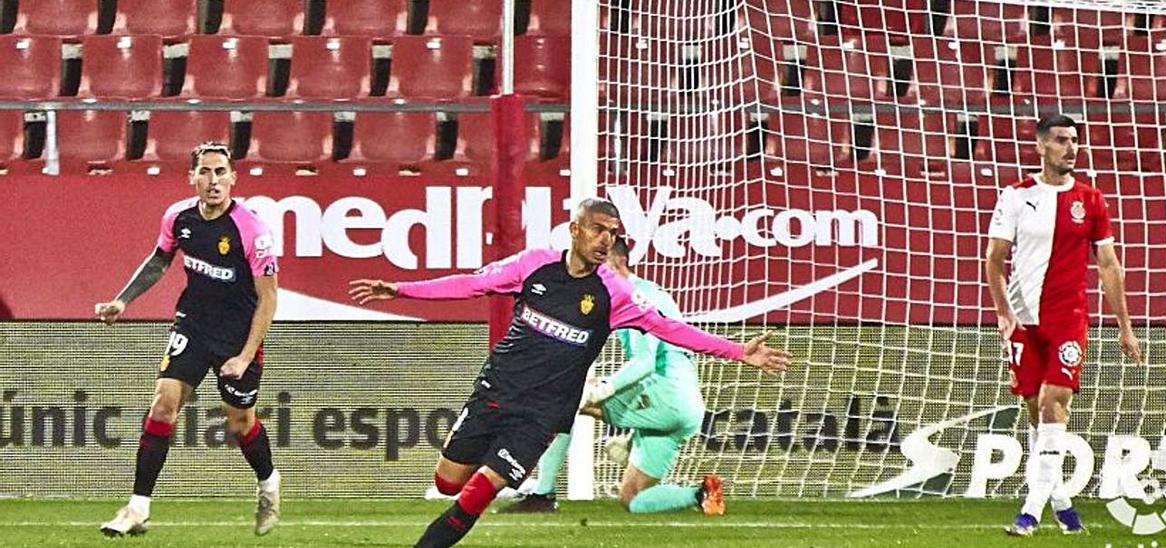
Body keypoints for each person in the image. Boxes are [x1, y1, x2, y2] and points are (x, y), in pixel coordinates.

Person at [349, 198, 790, 548]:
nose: (604, 239)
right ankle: (492, 466)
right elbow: (472, 282)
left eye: (612, 233)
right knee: (448, 482)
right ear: (575, 229)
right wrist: (402, 289)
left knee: (477, 494)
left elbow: (667, 327)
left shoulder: (614, 292)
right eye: (598, 229)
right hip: (494, 393)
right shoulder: (534, 264)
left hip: (542, 415)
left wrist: (735, 351)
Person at [94, 142, 282, 537]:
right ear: (192, 177)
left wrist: (246, 356)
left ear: (233, 178)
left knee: (239, 423)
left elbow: (268, 298)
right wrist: (122, 300)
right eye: (205, 172)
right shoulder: (178, 217)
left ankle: (268, 484)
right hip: (192, 326)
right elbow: (160, 259)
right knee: (163, 404)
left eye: (220, 172)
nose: (213, 180)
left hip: (236, 337)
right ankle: (137, 508)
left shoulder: (252, 229)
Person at [985, 115, 1142, 536]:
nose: (1070, 148)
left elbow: (1108, 265)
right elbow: (995, 260)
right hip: (1023, 321)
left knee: (1055, 404)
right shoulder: (1016, 196)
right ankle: (1063, 504)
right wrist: (1003, 311)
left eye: (1074, 141)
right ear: (1040, 146)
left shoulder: (1090, 200)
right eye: (1060, 140)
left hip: (1068, 319)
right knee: (1038, 414)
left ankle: (1030, 512)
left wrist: (1124, 326)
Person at [499, 237, 722, 515]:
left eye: (597, 265)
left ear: (615, 262)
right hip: (688, 408)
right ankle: (701, 494)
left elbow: (644, 364)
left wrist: (601, 390)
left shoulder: (634, 298)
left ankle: (542, 493)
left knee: (566, 396)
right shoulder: (654, 292)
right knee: (634, 499)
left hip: (667, 395)